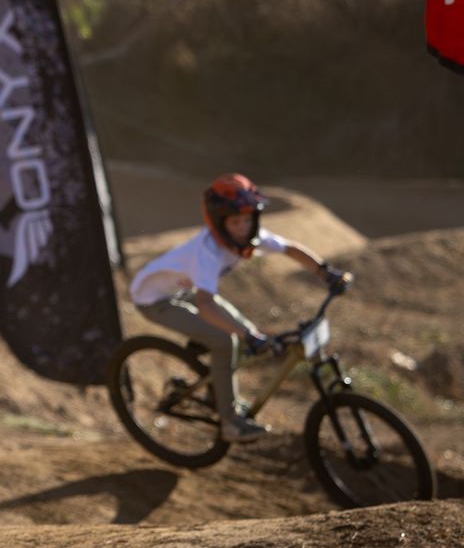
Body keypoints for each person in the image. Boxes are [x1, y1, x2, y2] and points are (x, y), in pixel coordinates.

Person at [128, 173, 348, 440]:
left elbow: (289, 249)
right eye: (235, 222)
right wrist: (244, 335)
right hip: (153, 300)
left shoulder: (248, 236)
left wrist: (326, 272)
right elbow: (206, 305)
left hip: (183, 290)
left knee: (245, 335)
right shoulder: (207, 252)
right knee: (226, 341)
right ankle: (230, 422)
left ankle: (215, 389)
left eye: (248, 219)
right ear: (219, 223)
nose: (243, 227)